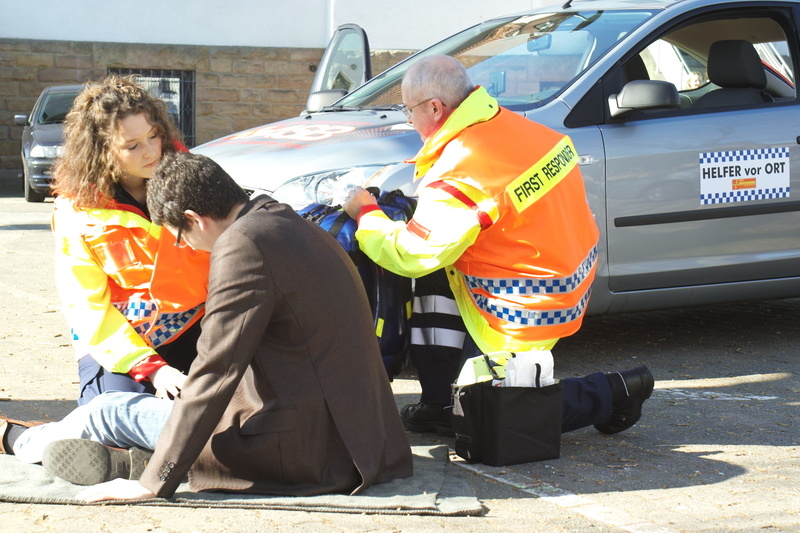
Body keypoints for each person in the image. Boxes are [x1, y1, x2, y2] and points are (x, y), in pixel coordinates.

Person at [1, 152, 412, 501]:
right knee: (147, 413)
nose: (183, 246)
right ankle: (123, 457)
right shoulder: (284, 221)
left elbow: (216, 370)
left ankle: (17, 440)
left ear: (194, 219)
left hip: (298, 447)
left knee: (106, 410)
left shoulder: (242, 247)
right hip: (365, 438)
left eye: (178, 235)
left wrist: (154, 484)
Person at [344, 55, 654, 437]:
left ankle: (614, 392)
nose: (409, 120)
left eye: (409, 111)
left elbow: (411, 253)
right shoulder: (511, 126)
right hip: (562, 273)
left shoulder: (461, 167)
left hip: (524, 302)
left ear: (435, 108)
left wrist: (367, 214)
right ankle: (441, 402)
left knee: (490, 418)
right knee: (435, 278)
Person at [50, 75, 210, 405]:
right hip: (120, 342)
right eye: (132, 146)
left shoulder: (195, 180)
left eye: (155, 136)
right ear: (100, 152)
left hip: (199, 326)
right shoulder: (76, 211)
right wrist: (152, 368)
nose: (152, 151)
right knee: (115, 411)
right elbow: (87, 306)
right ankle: (20, 437)